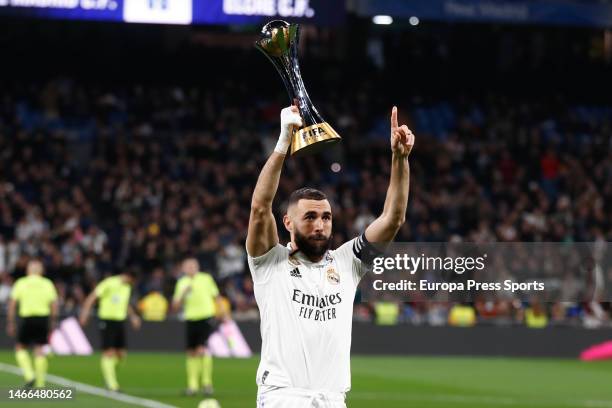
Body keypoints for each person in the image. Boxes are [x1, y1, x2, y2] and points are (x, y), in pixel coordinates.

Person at [246, 105, 414, 407]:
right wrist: (284, 142)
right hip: (284, 398)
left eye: (326, 217)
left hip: (334, 400)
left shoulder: (348, 262)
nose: (320, 224)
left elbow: (393, 218)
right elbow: (260, 208)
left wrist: (399, 160)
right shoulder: (270, 262)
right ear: (288, 223)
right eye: (309, 217)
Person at [79, 271, 141, 392]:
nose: (132, 284)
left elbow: (125, 303)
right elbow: (93, 297)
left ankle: (109, 376)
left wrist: (133, 316)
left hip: (120, 321)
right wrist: (85, 313)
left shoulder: (127, 287)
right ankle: (112, 384)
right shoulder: (109, 283)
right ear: (128, 276)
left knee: (121, 354)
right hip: (107, 320)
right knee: (109, 352)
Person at [172, 257, 225, 396]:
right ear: (183, 269)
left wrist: (222, 311)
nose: (191, 268)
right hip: (190, 319)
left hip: (206, 317)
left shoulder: (206, 278)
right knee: (191, 352)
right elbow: (175, 306)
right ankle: (192, 386)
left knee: (202, 350)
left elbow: (216, 296)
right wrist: (183, 293)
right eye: (188, 266)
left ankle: (207, 384)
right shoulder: (182, 283)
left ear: (197, 267)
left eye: (193, 265)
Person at [6, 259, 58, 388]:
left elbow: (12, 304)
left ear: (28, 270)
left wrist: (11, 322)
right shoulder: (47, 283)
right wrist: (53, 321)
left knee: (20, 347)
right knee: (40, 350)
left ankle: (29, 376)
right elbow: (54, 304)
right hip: (43, 318)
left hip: (27, 318)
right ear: (41, 270)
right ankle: (40, 384)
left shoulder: (21, 283)